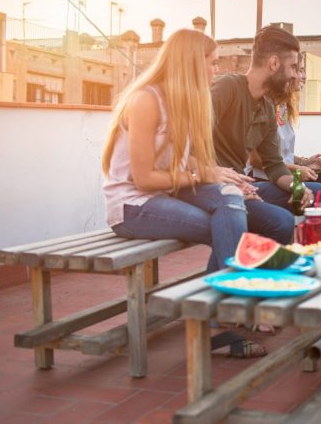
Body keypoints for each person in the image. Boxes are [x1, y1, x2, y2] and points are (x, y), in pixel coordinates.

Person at [102, 29, 266, 357]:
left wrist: (218, 174)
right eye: (212, 62)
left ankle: (214, 318)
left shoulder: (186, 100)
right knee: (223, 227)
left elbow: (183, 156)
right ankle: (219, 318)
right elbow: (145, 178)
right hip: (133, 204)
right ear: (191, 63)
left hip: (167, 194)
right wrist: (200, 174)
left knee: (231, 199)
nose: (215, 70)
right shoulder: (146, 100)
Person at [211, 26, 321, 245]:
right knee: (281, 222)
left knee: (320, 194)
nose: (296, 75)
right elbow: (188, 140)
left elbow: (274, 165)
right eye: (293, 67)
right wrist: (227, 182)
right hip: (210, 184)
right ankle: (243, 270)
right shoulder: (226, 88)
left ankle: (295, 261)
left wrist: (297, 187)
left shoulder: (267, 107)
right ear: (274, 63)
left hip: (242, 184)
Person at [249, 52, 321, 201]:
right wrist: (297, 169)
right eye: (299, 70)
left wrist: (304, 162)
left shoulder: (284, 106)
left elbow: (279, 153)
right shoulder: (262, 104)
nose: (303, 76)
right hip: (264, 178)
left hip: (285, 172)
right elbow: (257, 160)